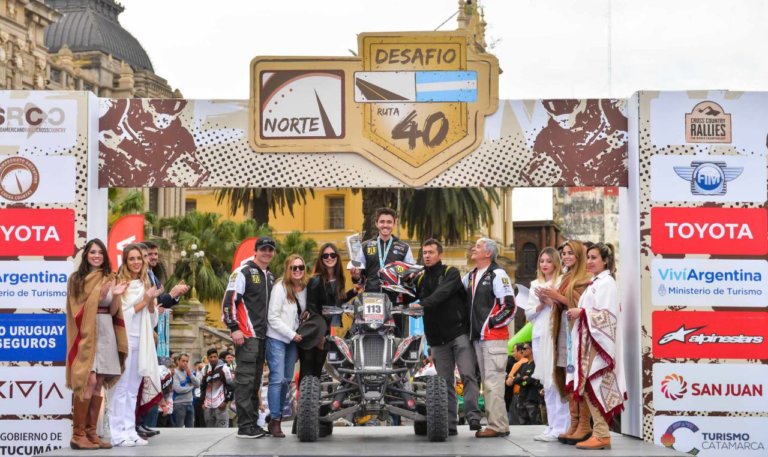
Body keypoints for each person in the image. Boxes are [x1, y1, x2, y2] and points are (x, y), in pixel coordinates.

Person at [413, 238, 481, 435]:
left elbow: (442, 294)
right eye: (424, 252)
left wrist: (423, 304)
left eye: (431, 252)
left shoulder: (450, 272)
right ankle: (450, 424)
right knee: (444, 384)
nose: (427, 256)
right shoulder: (419, 279)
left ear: (439, 255)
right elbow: (407, 295)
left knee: (468, 374)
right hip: (437, 341)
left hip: (458, 334)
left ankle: (473, 417)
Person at [66, 239, 129, 450]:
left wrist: (115, 297)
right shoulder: (77, 279)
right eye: (92, 252)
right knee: (88, 379)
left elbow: (112, 312)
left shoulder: (111, 278)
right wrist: (99, 294)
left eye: (100, 252)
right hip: (86, 332)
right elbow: (76, 308)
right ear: (86, 255)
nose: (96, 256)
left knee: (99, 380)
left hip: (106, 329)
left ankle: (92, 433)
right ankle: (78, 434)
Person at [566, 243, 626, 450]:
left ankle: (601, 434)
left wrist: (581, 313)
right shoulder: (596, 283)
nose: (589, 261)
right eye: (588, 257)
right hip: (590, 339)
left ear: (605, 261)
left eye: (594, 258)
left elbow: (608, 317)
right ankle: (601, 433)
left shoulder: (606, 283)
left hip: (599, 343)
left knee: (594, 384)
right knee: (589, 386)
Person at [537, 240, 592, 445]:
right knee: (567, 379)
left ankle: (583, 425)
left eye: (571, 253)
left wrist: (557, 296)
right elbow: (562, 305)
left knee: (578, 379)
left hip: (577, 335)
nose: (567, 257)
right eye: (565, 253)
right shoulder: (566, 278)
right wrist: (548, 299)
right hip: (563, 333)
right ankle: (574, 424)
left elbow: (581, 306)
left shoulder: (584, 279)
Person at [221, 237, 276, 439]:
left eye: (270, 250)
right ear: (256, 250)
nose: (267, 253)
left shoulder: (270, 276)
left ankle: (252, 424)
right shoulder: (242, 272)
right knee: (245, 382)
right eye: (263, 249)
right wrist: (234, 328)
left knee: (254, 383)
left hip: (262, 337)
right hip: (246, 336)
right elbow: (229, 301)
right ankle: (245, 427)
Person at [109, 244, 162, 447]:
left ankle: (130, 430)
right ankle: (117, 432)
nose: (136, 262)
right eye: (131, 259)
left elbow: (152, 318)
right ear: (125, 261)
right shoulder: (120, 283)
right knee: (120, 388)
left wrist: (150, 300)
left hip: (142, 340)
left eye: (139, 258)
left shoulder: (145, 283)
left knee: (133, 388)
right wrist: (145, 299)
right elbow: (121, 314)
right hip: (124, 339)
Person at [463, 238, 516, 438]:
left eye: (478, 247)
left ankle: (498, 425)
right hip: (478, 339)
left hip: (493, 338)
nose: (473, 249)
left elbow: (509, 306)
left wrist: (490, 324)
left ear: (488, 253)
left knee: (493, 383)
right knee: (488, 382)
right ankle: (497, 423)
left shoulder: (498, 273)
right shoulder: (470, 276)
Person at [351, 207, 415, 336]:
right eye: (382, 221)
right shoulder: (366, 246)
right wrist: (356, 275)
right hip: (370, 299)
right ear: (376, 223)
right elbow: (359, 279)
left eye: (389, 222)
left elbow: (410, 277)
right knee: (368, 336)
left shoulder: (404, 248)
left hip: (394, 301)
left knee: (396, 338)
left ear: (394, 223)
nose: (385, 225)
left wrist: (411, 275)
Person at [526, 247, 568, 441]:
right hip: (539, 335)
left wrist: (551, 301)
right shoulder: (535, 283)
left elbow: (566, 307)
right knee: (545, 381)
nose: (544, 264)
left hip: (555, 335)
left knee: (556, 380)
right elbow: (528, 314)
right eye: (541, 261)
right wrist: (540, 304)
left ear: (556, 263)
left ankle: (561, 426)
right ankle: (551, 425)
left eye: (548, 261)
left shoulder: (562, 281)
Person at [266, 254, 308, 438]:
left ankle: (277, 416)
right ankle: (275, 420)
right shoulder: (280, 287)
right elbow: (272, 317)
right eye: (294, 268)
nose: (297, 271)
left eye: (301, 267)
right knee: (276, 379)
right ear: (287, 269)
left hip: (293, 340)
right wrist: (292, 334)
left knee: (286, 380)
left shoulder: (304, 289)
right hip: (277, 338)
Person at [303, 243, 355, 381]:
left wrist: (354, 292)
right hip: (319, 330)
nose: (329, 258)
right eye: (325, 255)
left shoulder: (339, 279)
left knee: (322, 367)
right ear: (321, 258)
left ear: (337, 257)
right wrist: (320, 333)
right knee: (311, 368)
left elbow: (339, 301)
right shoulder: (315, 280)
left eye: (333, 255)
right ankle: (307, 399)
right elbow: (311, 307)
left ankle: (316, 397)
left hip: (332, 328)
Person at [201, 348, 234, 428]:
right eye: (211, 357)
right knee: (210, 432)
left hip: (220, 405)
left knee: (223, 431)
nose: (213, 359)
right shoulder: (205, 369)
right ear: (208, 358)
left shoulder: (224, 368)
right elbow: (202, 387)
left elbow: (231, 386)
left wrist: (226, 401)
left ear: (218, 357)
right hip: (208, 406)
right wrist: (202, 402)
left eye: (215, 357)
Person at [512, 344, 542, 425]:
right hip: (521, 398)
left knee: (535, 423)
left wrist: (522, 381)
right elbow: (514, 380)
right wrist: (522, 379)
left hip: (532, 399)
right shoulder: (523, 365)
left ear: (532, 350)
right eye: (521, 349)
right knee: (523, 425)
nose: (522, 351)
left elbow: (531, 380)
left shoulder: (536, 364)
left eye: (524, 348)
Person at [172, 353, 200, 427]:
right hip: (179, 404)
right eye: (183, 361)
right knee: (179, 428)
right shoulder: (175, 373)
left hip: (190, 403)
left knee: (190, 428)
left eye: (187, 361)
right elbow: (178, 389)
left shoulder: (188, 372)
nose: (185, 363)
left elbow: (197, 384)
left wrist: (190, 374)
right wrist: (191, 387)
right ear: (178, 361)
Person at [504, 343, 528, 425]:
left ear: (520, 351)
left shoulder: (517, 364)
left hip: (518, 395)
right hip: (532, 395)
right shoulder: (532, 362)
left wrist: (513, 378)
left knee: (515, 422)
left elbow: (508, 382)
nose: (513, 354)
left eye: (514, 351)